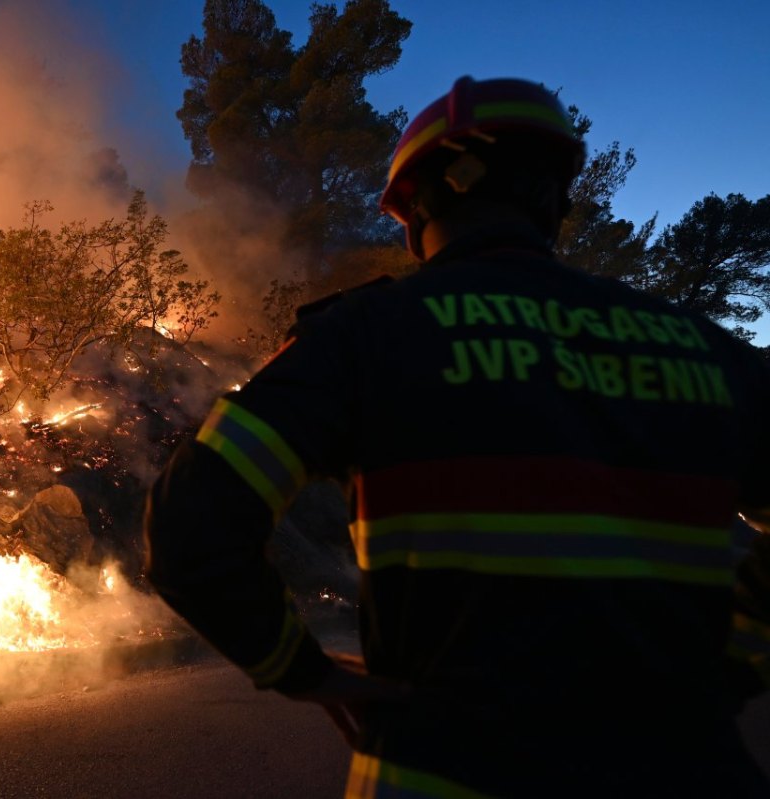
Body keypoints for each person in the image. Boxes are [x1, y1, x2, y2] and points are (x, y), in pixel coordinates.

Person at [144, 75, 770, 797]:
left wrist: (297, 666)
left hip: (441, 771)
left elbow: (193, 519)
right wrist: (737, 659)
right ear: (554, 203)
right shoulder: (700, 347)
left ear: (415, 210)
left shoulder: (367, 334)